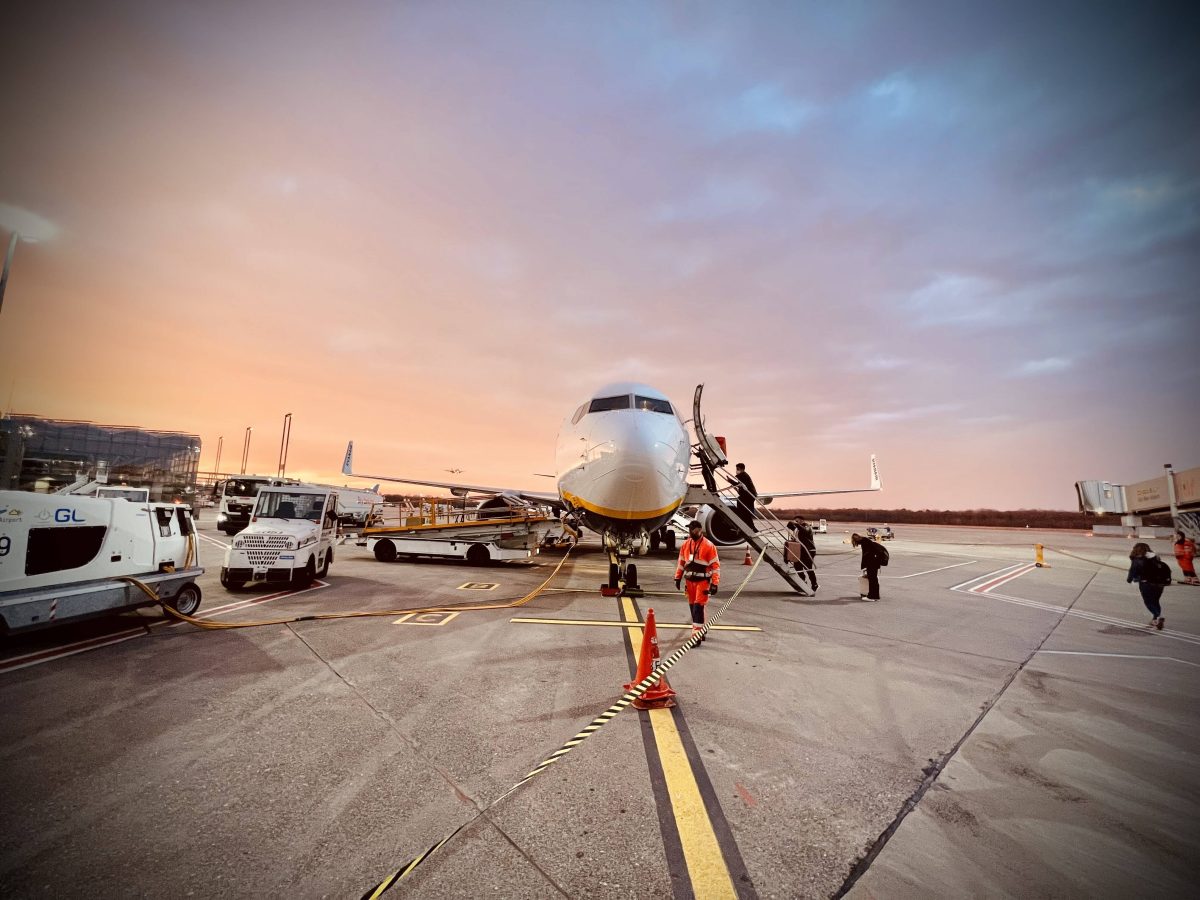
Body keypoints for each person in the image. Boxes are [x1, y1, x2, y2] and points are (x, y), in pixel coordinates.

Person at [675, 519, 721, 643]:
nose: (690, 532)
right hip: (689, 582)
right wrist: (677, 577)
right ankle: (701, 630)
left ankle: (696, 637)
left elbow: (715, 566)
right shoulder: (686, 544)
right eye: (689, 529)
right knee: (693, 608)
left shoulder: (709, 546)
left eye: (693, 530)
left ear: (699, 530)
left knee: (698, 608)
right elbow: (681, 562)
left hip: (702, 582)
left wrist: (715, 584)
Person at [1128, 542, 1171, 629]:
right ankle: (1155, 619)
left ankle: (1159, 616)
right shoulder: (1155, 557)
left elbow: (1133, 571)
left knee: (1148, 602)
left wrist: (1129, 579)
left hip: (1146, 584)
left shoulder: (1138, 559)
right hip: (1160, 584)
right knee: (1155, 601)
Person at [851, 532, 887, 601]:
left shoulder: (865, 542)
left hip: (872, 563)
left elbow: (866, 556)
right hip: (875, 562)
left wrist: (866, 566)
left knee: (872, 580)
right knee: (874, 579)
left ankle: (871, 596)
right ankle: (875, 596)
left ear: (856, 539)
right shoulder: (865, 540)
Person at [786, 516, 818, 591]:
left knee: (808, 567)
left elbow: (805, 531)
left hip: (809, 550)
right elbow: (790, 526)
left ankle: (814, 584)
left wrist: (796, 524)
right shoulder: (798, 529)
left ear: (802, 520)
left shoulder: (806, 526)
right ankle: (803, 581)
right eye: (795, 521)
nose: (796, 523)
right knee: (797, 566)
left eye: (797, 521)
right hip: (801, 550)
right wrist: (791, 524)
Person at [733, 463, 758, 532]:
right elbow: (742, 487)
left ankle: (744, 526)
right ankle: (752, 527)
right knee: (746, 512)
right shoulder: (744, 475)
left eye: (738, 469)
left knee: (742, 509)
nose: (736, 471)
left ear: (742, 469)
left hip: (748, 496)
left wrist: (730, 481)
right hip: (750, 495)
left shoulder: (742, 475)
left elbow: (739, 485)